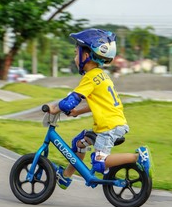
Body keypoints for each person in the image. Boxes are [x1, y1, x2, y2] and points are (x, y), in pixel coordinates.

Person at [48, 28, 153, 189]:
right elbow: (96, 102)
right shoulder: (101, 75)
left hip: (109, 127)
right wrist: (77, 112)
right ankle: (65, 177)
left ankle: (138, 157)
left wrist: (54, 108)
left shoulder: (90, 77)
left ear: (86, 55)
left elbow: (70, 102)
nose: (75, 58)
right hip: (110, 124)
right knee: (79, 143)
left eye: (76, 53)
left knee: (99, 163)